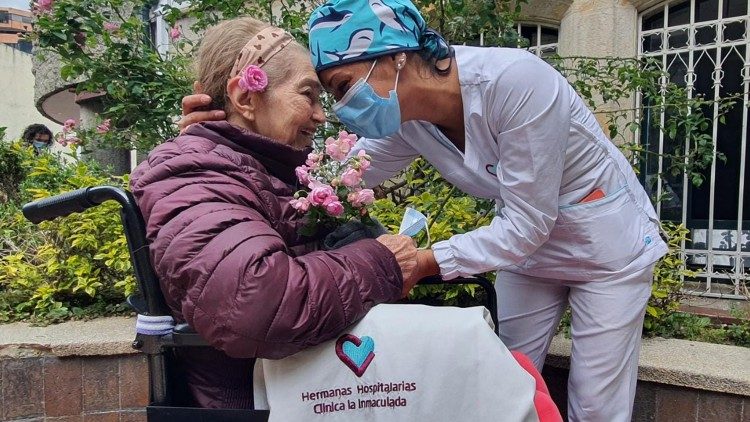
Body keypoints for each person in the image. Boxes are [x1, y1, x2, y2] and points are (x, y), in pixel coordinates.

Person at [179, 1, 669, 420]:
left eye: (344, 86)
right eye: (325, 95)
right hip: (527, 252)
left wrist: (424, 262)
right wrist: (229, 136)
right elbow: (330, 181)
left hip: (605, 247)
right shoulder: (406, 121)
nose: (340, 109)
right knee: (508, 375)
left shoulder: (518, 82)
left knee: (597, 404)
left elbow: (527, 222)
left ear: (392, 57)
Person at [129, 17, 425, 408]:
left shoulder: (254, 167)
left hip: (309, 384)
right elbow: (254, 302)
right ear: (246, 98)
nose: (321, 115)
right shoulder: (194, 171)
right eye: (309, 95)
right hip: (265, 398)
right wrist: (382, 261)